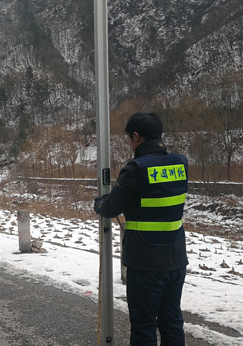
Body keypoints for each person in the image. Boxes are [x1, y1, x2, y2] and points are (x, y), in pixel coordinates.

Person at [93, 112, 188, 346]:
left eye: (129, 138)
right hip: (176, 258)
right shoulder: (180, 162)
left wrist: (100, 203)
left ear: (136, 136)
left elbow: (111, 207)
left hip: (146, 263)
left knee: (144, 325)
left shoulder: (135, 168)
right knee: (172, 321)